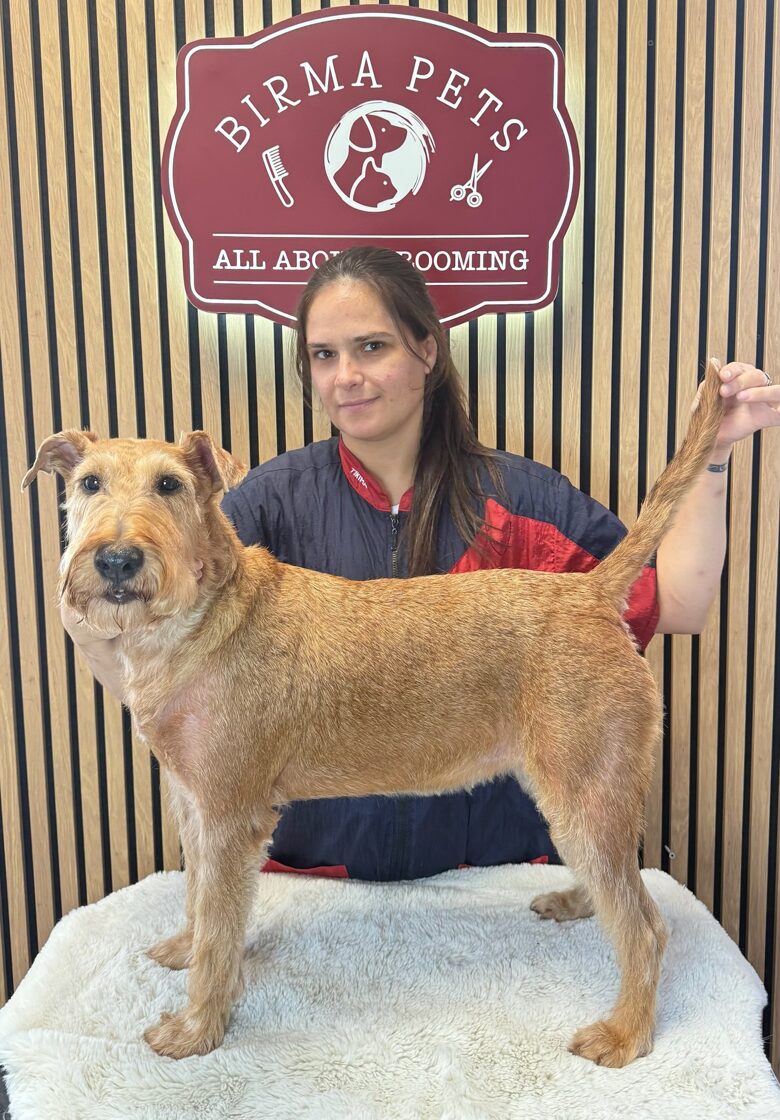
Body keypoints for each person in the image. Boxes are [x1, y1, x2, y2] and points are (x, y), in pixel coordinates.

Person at [63, 245, 779, 881]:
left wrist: (714, 454)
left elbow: (678, 602)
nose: (347, 376)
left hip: (489, 882)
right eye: (324, 355)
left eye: (372, 347)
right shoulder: (263, 506)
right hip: (313, 884)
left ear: (427, 351)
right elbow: (140, 639)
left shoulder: (520, 499)